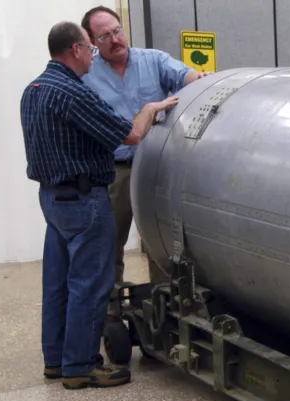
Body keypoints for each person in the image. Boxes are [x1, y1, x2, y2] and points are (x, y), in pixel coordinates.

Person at [20, 21, 178, 390]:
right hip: (84, 201)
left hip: (52, 198)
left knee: (58, 283)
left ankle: (56, 361)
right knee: (90, 284)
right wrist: (151, 107)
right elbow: (131, 133)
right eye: (90, 49)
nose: (94, 56)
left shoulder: (34, 89)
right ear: (75, 49)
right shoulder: (73, 93)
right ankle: (81, 366)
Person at [80, 6, 209, 296]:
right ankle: (111, 309)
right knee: (108, 242)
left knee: (161, 239)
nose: (115, 39)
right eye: (105, 36)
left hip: (155, 166)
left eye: (117, 31)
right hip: (115, 172)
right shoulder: (88, 75)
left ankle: (163, 307)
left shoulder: (153, 61)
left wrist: (200, 79)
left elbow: (184, 76)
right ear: (92, 43)